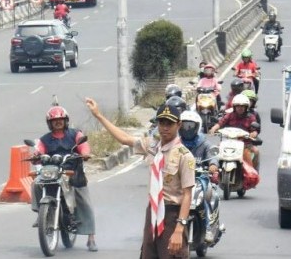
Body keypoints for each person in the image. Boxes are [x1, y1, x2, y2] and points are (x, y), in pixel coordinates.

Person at [86, 98, 195, 259]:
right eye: (161, 123)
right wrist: (99, 116)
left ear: (178, 125)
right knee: (148, 254)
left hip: (172, 215)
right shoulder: (152, 146)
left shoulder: (184, 156)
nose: (165, 128)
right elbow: (124, 138)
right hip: (152, 212)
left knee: (171, 255)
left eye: (169, 124)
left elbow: (187, 194)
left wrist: (179, 228)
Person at [30, 105, 97, 252]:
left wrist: (85, 153)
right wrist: (35, 156)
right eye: (54, 121)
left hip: (73, 172)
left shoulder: (75, 134)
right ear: (50, 123)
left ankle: (91, 237)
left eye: (60, 120)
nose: (58, 122)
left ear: (66, 121)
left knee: (84, 201)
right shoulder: (44, 140)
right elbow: (38, 150)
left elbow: (84, 146)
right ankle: (41, 213)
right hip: (52, 172)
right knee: (36, 183)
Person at [179, 111, 219, 243]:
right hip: (179, 179)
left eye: (190, 126)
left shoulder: (203, 143)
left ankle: (207, 228)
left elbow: (212, 156)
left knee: (204, 198)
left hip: (199, 178)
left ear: (197, 127)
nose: (187, 129)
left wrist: (213, 165)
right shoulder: (177, 143)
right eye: (184, 126)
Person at [209, 94, 260, 170]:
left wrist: (253, 134)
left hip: (245, 144)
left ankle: (254, 172)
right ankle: (215, 169)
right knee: (215, 149)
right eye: (238, 106)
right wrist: (214, 128)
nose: (240, 108)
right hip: (228, 142)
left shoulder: (251, 117)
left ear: (246, 107)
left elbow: (254, 130)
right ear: (234, 107)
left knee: (256, 151)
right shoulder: (230, 115)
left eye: (242, 106)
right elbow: (221, 122)